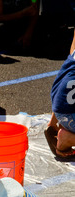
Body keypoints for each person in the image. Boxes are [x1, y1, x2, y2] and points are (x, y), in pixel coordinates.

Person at [44, 29, 75, 158]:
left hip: (59, 103)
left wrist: (53, 121)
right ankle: (67, 138)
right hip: (67, 110)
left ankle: (63, 124)